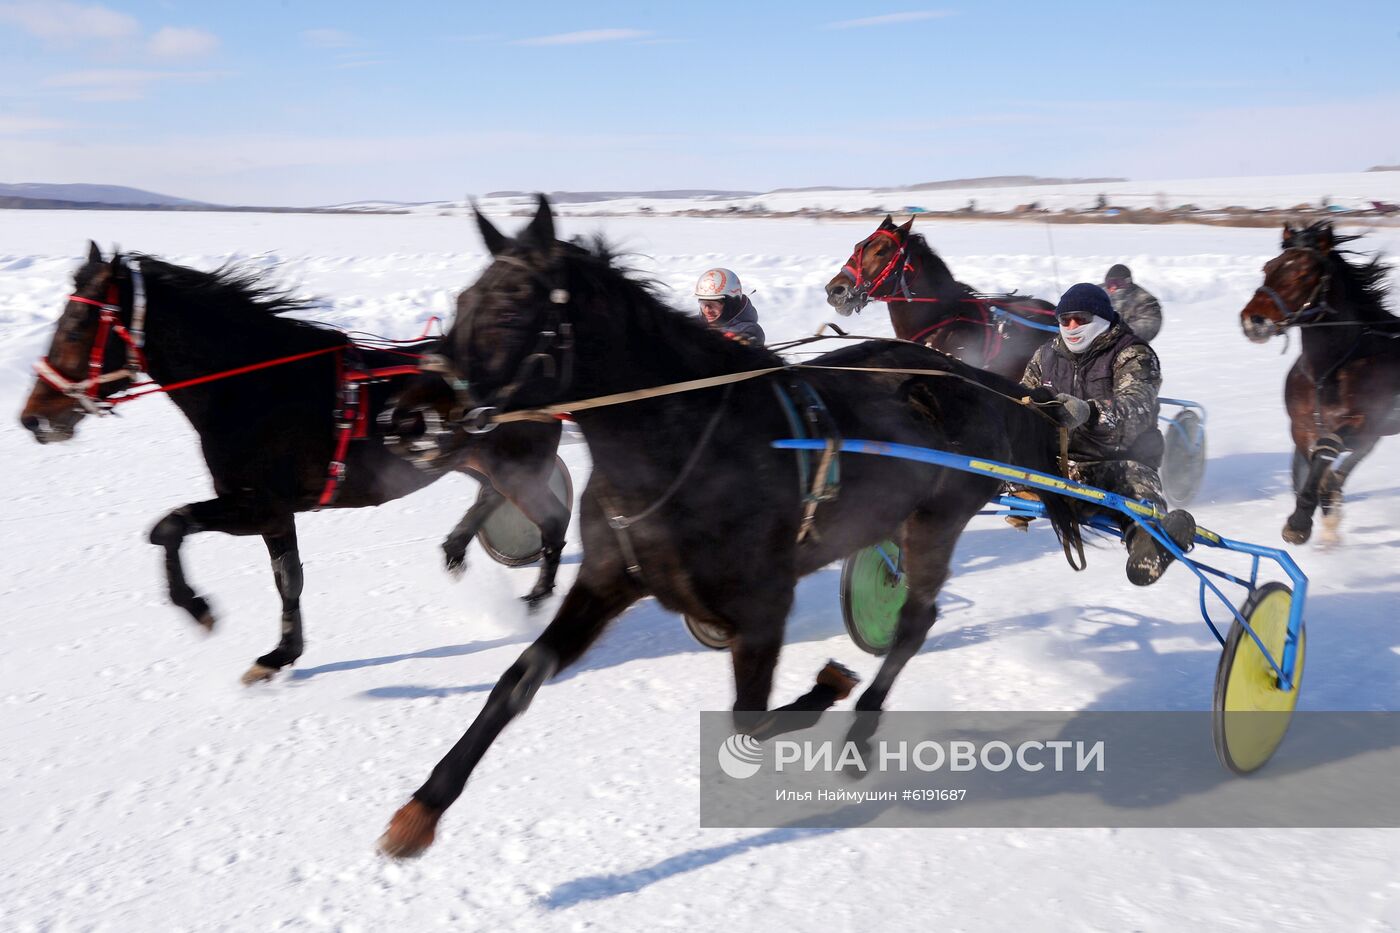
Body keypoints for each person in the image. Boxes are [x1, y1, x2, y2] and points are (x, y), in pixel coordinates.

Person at [1021, 283, 1194, 586]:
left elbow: (1138, 404)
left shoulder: (1132, 352)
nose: (1072, 327)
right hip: (1062, 465)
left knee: (1134, 488)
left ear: (1100, 318)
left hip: (1119, 460)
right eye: (1065, 320)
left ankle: (1150, 543)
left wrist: (1088, 411)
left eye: (1081, 319)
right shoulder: (1045, 355)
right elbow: (1024, 397)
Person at [694, 268, 765, 345]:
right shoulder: (693, 324)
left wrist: (740, 340)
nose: (707, 310)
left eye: (713, 304)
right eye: (703, 303)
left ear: (730, 304)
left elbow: (752, 336)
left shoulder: (748, 329)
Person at [1102, 263, 1162, 342]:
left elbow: (1151, 324)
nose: (1114, 287)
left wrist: (1118, 334)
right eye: (1110, 283)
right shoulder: (1097, 292)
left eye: (1119, 283)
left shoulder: (1144, 299)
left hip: (1128, 345)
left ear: (1128, 282)